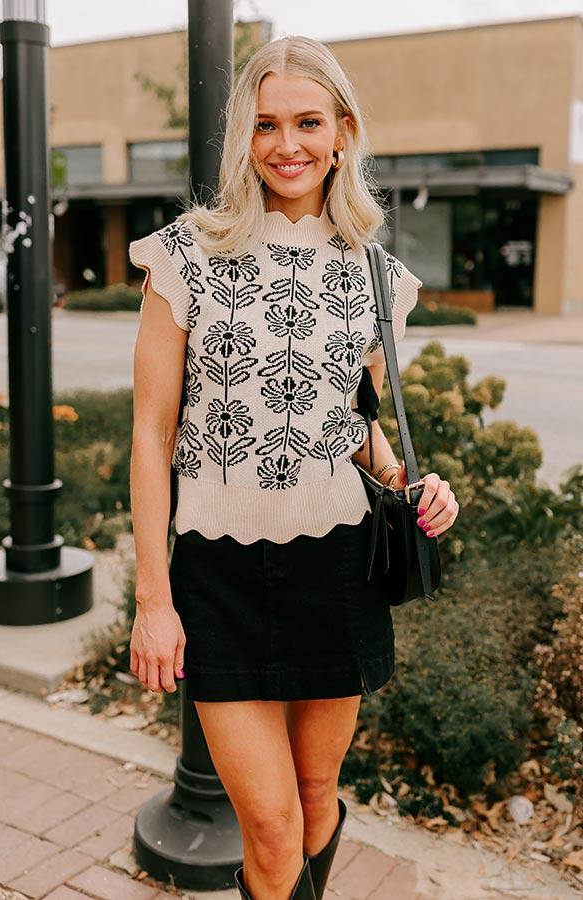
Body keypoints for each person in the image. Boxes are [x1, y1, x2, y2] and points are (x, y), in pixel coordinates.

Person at [128, 34, 459, 900]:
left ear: (343, 131)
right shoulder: (184, 256)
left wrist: (414, 485)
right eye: (266, 124)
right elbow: (150, 434)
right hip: (218, 577)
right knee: (270, 832)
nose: (288, 145)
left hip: (336, 567)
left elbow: (350, 425)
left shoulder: (379, 278)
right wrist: (155, 601)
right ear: (244, 134)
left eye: (308, 122)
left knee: (314, 803)